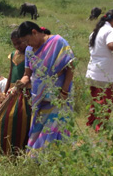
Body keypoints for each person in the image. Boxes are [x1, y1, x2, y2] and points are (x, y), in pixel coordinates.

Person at [17, 21, 75, 152]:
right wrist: (20, 84)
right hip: (39, 100)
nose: (27, 44)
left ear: (34, 32)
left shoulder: (57, 42)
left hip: (58, 98)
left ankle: (52, 160)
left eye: (27, 40)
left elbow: (70, 67)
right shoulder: (29, 51)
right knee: (38, 132)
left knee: (54, 131)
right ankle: (38, 159)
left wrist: (64, 92)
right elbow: (27, 75)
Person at [0, 29, 32, 155]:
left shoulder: (30, 54)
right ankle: (5, 151)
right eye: (15, 44)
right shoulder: (13, 55)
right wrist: (4, 91)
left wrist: (18, 87)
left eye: (19, 43)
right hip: (11, 92)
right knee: (5, 120)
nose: (18, 46)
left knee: (19, 119)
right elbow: (11, 74)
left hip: (22, 91)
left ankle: (19, 151)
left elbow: (26, 75)